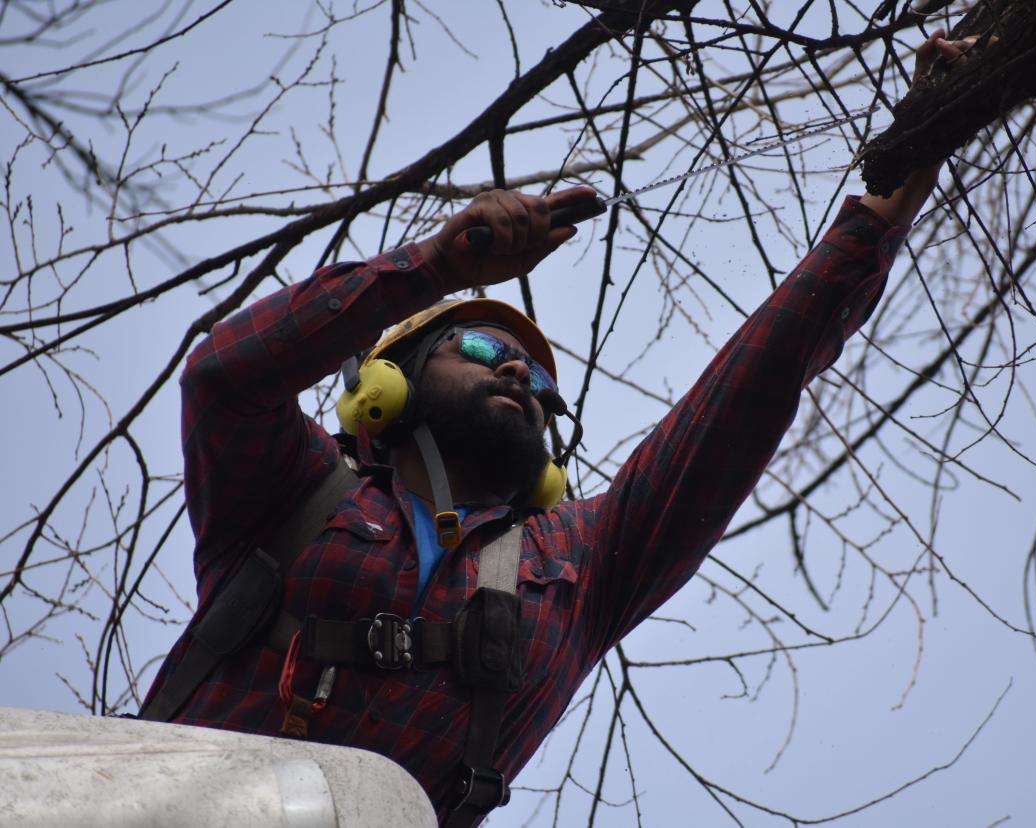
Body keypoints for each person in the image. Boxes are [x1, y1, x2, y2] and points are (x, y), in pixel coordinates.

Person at [140, 30, 980, 827]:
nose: (520, 375)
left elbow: (744, 397)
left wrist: (889, 197)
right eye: (480, 347)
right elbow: (224, 376)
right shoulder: (293, 492)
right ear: (386, 387)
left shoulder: (585, 565)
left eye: (540, 379)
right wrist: (437, 268)